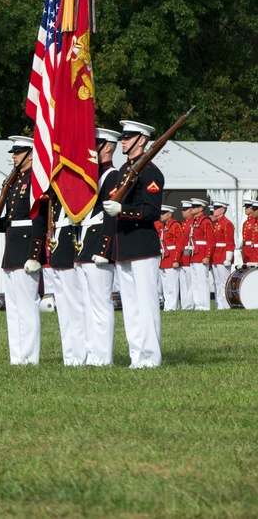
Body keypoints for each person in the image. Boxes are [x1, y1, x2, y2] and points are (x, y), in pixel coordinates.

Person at [102, 120, 164, 368]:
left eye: (128, 137)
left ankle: (150, 358)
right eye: (123, 137)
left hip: (142, 246)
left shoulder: (150, 172)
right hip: (124, 245)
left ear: (142, 140)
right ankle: (136, 356)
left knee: (146, 305)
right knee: (130, 306)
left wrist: (122, 210)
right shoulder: (123, 172)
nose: (123, 141)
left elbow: (151, 212)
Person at [0, 136, 47, 365]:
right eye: (14, 152)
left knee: (27, 306)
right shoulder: (16, 180)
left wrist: (34, 254)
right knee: (14, 308)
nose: (14, 156)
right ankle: (17, 357)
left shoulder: (35, 181)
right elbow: (12, 219)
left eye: (18, 152)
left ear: (30, 155)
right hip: (12, 248)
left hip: (26, 249)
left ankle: (30, 357)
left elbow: (38, 221)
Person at [74, 128, 120, 366]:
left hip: (98, 243)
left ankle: (103, 356)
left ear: (108, 147)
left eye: (97, 144)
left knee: (100, 304)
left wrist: (104, 249)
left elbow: (111, 215)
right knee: (87, 304)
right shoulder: (92, 174)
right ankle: (92, 354)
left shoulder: (112, 175)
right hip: (85, 242)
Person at [46, 196, 84, 365]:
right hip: (58, 251)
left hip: (69, 249)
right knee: (63, 309)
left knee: (74, 307)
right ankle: (69, 355)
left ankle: (80, 353)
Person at [184, 197, 214, 310]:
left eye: (195, 207)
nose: (192, 209)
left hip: (201, 255)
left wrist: (207, 256)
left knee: (202, 281)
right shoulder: (194, 221)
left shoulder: (205, 221)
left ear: (201, 208)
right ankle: (197, 305)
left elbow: (210, 241)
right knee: (195, 282)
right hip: (193, 255)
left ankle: (204, 306)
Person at [157, 204, 185, 311]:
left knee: (172, 284)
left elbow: (180, 244)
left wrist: (176, 259)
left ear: (170, 214)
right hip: (164, 258)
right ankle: (168, 305)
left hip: (172, 257)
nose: (161, 215)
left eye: (163, 213)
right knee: (165, 284)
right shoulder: (164, 226)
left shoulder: (175, 225)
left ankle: (172, 306)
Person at [210, 200, 235, 310]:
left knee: (224, 282)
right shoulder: (216, 224)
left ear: (223, 210)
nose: (213, 210)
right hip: (216, 256)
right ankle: (219, 305)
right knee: (216, 282)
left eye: (216, 208)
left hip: (222, 255)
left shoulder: (227, 223)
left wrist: (228, 257)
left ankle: (225, 305)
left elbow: (230, 241)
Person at [177, 200, 195, 303]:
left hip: (190, 254)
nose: (183, 212)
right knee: (183, 282)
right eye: (182, 210)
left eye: (185, 209)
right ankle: (185, 303)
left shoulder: (193, 223)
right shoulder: (182, 224)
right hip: (183, 255)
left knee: (190, 281)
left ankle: (190, 302)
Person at [241, 200, 256, 266]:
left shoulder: (254, 221)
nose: (245, 209)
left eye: (247, 207)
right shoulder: (245, 223)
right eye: (245, 207)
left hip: (252, 248)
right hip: (245, 249)